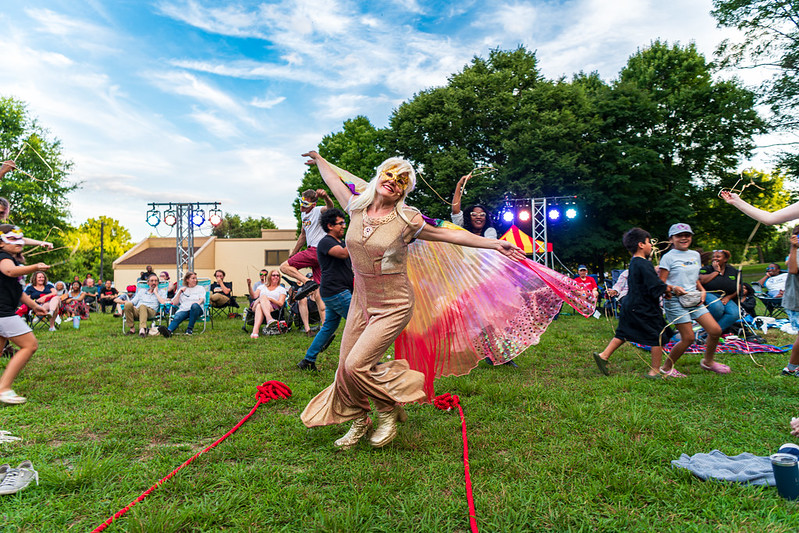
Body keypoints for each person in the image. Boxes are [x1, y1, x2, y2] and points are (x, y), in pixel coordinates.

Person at [299, 151, 525, 450]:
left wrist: (495, 243)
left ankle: (387, 410)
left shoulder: (408, 218)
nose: (393, 182)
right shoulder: (355, 207)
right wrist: (320, 161)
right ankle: (360, 418)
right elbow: (331, 179)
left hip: (393, 304)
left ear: (405, 190)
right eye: (389, 174)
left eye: (401, 180)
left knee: (356, 364)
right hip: (361, 302)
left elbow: (449, 235)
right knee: (345, 367)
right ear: (379, 176)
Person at [593, 228, 676, 378]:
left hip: (631, 305)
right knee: (658, 335)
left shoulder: (635, 263)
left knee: (624, 332)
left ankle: (603, 355)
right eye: (649, 242)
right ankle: (655, 370)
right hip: (644, 307)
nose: (651, 245)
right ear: (641, 245)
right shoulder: (644, 264)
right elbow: (654, 284)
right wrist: (670, 289)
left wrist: (666, 290)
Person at [658, 223, 729, 376]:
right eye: (679, 235)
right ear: (671, 239)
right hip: (676, 300)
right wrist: (674, 288)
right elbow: (661, 283)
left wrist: (702, 290)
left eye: (687, 235)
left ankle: (708, 362)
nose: (684, 238)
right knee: (688, 338)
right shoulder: (668, 257)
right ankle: (666, 368)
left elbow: (694, 278)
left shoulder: (695, 255)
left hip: (693, 299)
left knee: (715, 330)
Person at [298, 208, 353, 371]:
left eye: (344, 222)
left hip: (334, 291)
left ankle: (308, 360)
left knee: (328, 326)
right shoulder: (326, 242)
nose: (344, 226)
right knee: (360, 324)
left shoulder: (339, 242)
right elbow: (343, 254)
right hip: (337, 292)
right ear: (330, 226)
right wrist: (356, 237)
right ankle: (365, 361)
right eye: (340, 223)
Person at [0, 224, 50, 405]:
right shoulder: (3, 257)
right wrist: (35, 267)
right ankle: (4, 389)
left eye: (20, 238)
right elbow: (9, 271)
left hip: (4, 312)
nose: (18, 242)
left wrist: (34, 306)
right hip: (3, 313)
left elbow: (17, 291)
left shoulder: (11, 259)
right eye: (12, 239)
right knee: (30, 345)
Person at [280, 189, 331, 324]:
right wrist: (294, 253)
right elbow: (303, 236)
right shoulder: (304, 215)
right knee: (319, 292)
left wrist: (326, 196)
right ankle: (325, 326)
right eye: (301, 202)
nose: (302, 206)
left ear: (313, 204)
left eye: (306, 204)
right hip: (320, 255)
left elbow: (330, 208)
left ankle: (307, 282)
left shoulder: (318, 211)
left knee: (284, 267)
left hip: (316, 249)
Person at [698, 249, 741, 333]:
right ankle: (709, 330)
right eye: (713, 257)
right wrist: (716, 271)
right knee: (717, 307)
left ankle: (710, 333)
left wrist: (729, 297)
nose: (715, 259)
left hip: (726, 296)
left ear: (725, 259)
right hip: (709, 293)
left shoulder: (733, 271)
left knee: (734, 313)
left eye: (718, 257)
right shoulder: (706, 269)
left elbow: (739, 287)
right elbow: (702, 281)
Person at [779, 226, 799, 377]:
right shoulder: (794, 253)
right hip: (796, 302)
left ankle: (791, 368)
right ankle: (791, 368)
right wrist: (793, 248)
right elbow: (792, 269)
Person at [158, 272, 205, 337]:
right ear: (187, 280)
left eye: (196, 278)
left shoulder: (200, 288)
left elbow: (202, 299)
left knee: (194, 306)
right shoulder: (182, 289)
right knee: (178, 316)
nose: (195, 280)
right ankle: (169, 331)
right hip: (184, 309)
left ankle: (189, 329)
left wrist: (197, 303)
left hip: (196, 309)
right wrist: (180, 292)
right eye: (193, 278)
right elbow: (174, 303)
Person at [450, 173, 497, 238]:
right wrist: (459, 184)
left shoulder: (490, 231)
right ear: (468, 218)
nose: (478, 217)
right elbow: (455, 211)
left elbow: (491, 244)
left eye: (482, 215)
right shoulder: (462, 229)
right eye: (474, 215)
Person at [248, 270, 287, 338]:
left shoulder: (281, 289)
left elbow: (281, 304)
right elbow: (254, 296)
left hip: (272, 308)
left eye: (277, 275)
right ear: (269, 277)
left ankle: (255, 331)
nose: (276, 277)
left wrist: (270, 299)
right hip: (255, 305)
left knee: (260, 306)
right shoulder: (262, 287)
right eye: (273, 275)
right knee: (263, 297)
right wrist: (249, 285)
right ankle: (269, 319)